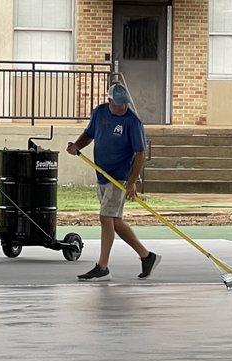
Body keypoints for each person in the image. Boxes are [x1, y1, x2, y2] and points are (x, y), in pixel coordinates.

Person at [66, 82, 161, 281]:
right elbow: (89, 134)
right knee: (114, 221)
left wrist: (132, 182)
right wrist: (76, 145)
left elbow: (141, 153)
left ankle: (102, 267)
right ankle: (146, 256)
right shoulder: (100, 113)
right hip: (102, 173)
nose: (122, 107)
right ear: (109, 101)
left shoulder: (132, 121)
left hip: (118, 177)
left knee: (105, 217)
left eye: (124, 103)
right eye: (118, 104)